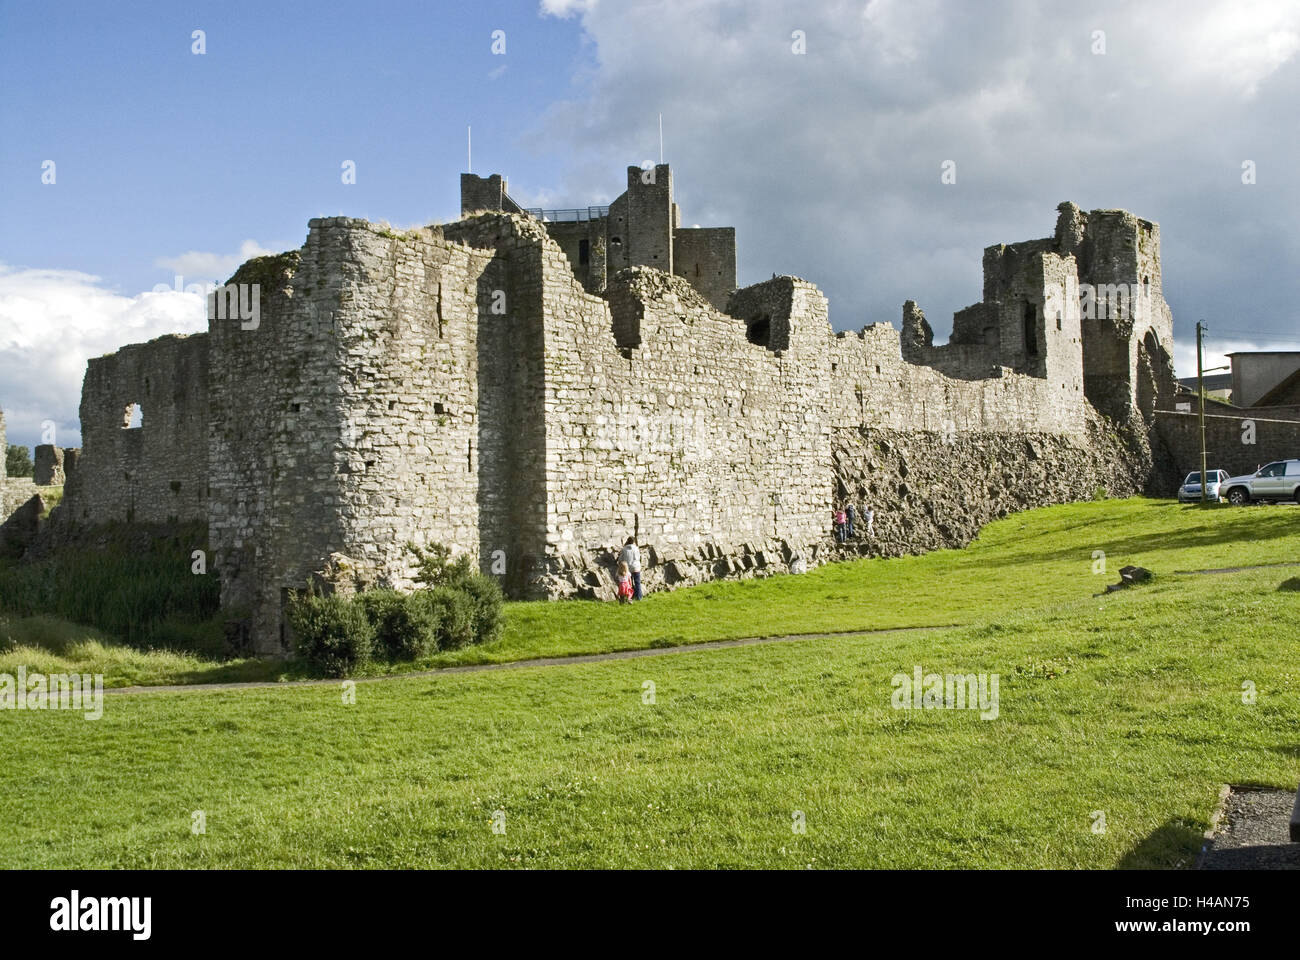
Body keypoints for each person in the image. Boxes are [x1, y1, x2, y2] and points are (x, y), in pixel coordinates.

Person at [619, 536, 642, 600]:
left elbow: (620, 559)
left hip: (628, 568)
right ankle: (639, 597)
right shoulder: (636, 548)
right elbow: (639, 557)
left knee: (629, 583)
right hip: (636, 567)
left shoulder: (624, 549)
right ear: (634, 542)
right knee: (637, 582)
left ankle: (630, 597)